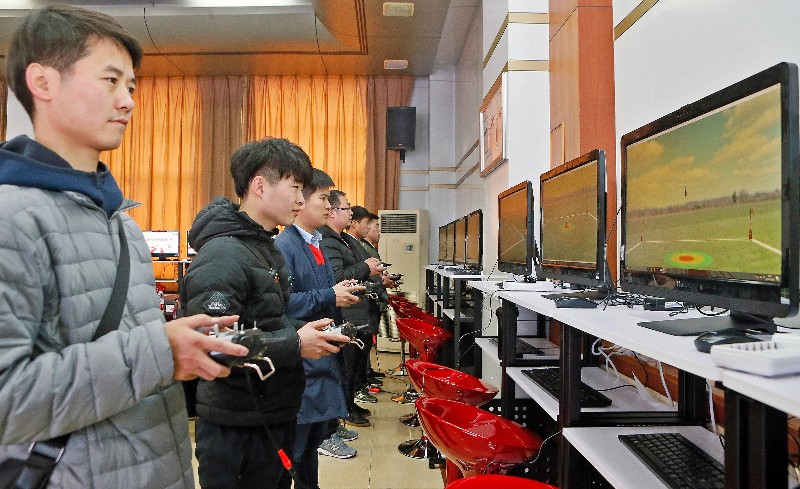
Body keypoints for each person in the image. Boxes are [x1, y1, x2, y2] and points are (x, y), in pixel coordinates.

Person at [0, 5, 248, 488]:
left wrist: (178, 347)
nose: (128, 101)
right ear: (43, 82)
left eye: (131, 87)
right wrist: (159, 352)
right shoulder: (13, 219)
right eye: (110, 81)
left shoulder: (121, 224)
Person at [181, 138, 350, 489]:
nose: (301, 200)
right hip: (237, 424)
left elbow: (268, 319)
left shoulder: (264, 247)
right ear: (260, 186)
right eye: (295, 188)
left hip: (271, 412)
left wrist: (307, 330)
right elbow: (211, 341)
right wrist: (295, 343)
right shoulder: (223, 255)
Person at [274, 169, 362, 488]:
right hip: (304, 362)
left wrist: (338, 292)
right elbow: (284, 303)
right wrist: (329, 295)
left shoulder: (316, 242)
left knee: (311, 446)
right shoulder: (285, 246)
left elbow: (319, 290)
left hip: (322, 360)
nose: (329, 206)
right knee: (295, 450)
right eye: (323, 198)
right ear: (301, 201)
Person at [319, 192, 385, 426]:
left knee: (353, 365)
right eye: (346, 208)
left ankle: (349, 403)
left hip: (356, 309)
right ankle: (344, 410)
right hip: (346, 312)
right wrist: (365, 267)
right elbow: (338, 278)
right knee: (346, 366)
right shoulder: (328, 241)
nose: (350, 213)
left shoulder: (343, 239)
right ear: (332, 212)